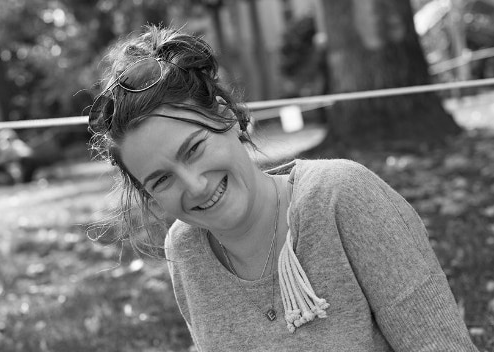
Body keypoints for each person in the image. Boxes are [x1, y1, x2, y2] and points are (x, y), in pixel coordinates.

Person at [88, 26, 478, 351]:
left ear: (227, 119)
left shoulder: (343, 196)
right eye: (161, 179)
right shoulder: (185, 249)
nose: (194, 185)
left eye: (194, 149)